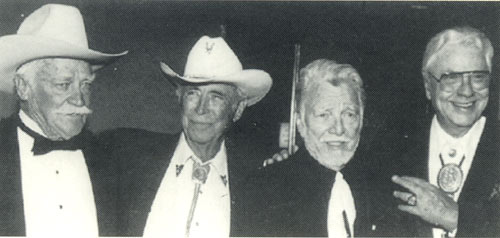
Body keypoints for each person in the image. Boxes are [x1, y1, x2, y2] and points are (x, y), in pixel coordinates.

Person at [100, 35, 272, 237]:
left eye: (216, 97)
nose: (201, 109)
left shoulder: (255, 183)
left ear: (238, 109)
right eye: (193, 93)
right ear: (179, 98)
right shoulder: (130, 157)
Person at [0, 4, 127, 237]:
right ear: (23, 87)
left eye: (85, 85)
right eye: (63, 84)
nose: (80, 99)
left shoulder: (111, 161)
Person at [381, 26, 499, 237]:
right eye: (451, 77)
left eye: (478, 77)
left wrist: (455, 218)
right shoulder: (391, 152)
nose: (467, 91)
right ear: (428, 86)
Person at [244, 59, 374, 237]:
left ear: (361, 120)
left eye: (349, 114)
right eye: (324, 115)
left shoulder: (381, 191)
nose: (338, 128)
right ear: (300, 123)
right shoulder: (263, 193)